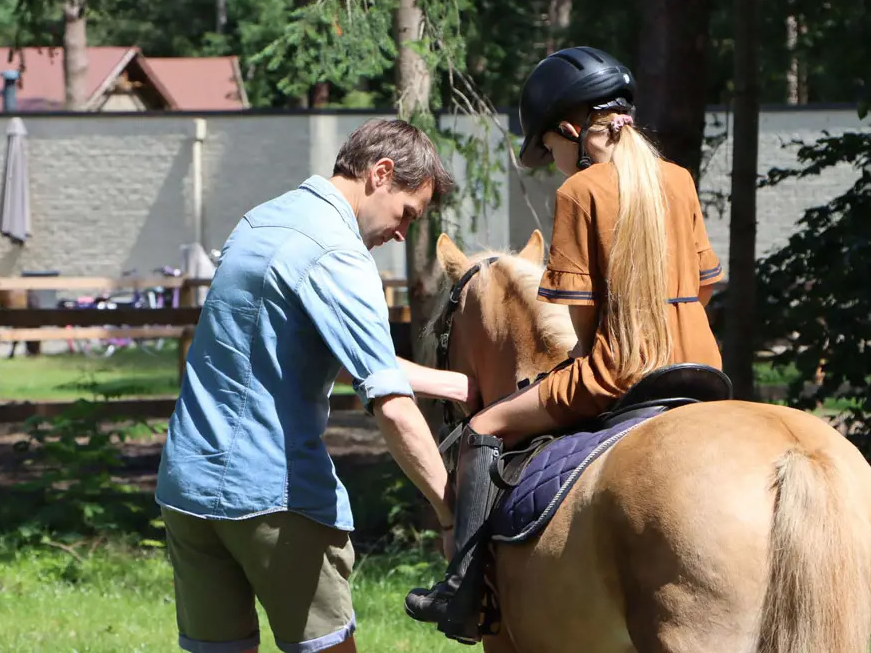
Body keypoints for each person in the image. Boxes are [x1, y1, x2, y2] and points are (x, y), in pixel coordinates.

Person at [405, 46, 725, 641]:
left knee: (482, 429)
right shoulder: (677, 179)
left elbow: (578, 324)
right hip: (700, 365)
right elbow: (707, 286)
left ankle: (463, 594)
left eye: (548, 148)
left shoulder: (581, 192)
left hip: (616, 373)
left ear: (572, 131)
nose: (552, 163)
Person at [156, 119, 477, 653]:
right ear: (380, 173)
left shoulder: (262, 221)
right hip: (271, 496)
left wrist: (458, 385)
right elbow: (392, 405)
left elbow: (347, 357)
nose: (401, 232)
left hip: (188, 485)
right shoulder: (338, 253)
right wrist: (451, 518)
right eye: (406, 213)